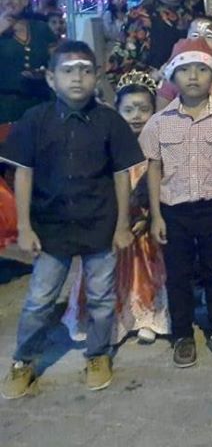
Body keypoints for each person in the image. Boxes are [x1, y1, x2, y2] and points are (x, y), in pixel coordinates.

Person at [1, 41, 143, 399]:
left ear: (97, 76)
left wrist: (122, 226)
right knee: (39, 300)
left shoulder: (110, 121)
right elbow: (23, 174)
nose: (77, 78)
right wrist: (24, 227)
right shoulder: (35, 120)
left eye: (85, 70)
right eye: (67, 70)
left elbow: (121, 176)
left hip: (100, 225)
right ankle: (23, 361)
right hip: (51, 228)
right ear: (51, 79)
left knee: (100, 297)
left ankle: (97, 354)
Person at [140, 38, 212, 367]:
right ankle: (182, 334)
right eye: (185, 69)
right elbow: (153, 169)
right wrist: (156, 216)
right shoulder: (159, 122)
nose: (192, 76)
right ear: (172, 76)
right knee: (178, 274)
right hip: (173, 211)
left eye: (201, 69)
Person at [63, 71, 170, 346]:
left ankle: (148, 317)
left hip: (145, 226)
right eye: (129, 109)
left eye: (144, 109)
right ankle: (112, 323)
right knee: (109, 275)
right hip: (114, 224)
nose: (136, 116)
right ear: (117, 111)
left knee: (146, 272)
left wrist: (149, 216)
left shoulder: (158, 147)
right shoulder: (108, 145)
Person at [107, 0, 192, 84]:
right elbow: (117, 71)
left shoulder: (194, 17)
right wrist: (154, 76)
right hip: (151, 93)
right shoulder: (139, 17)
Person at [0, 0, 57, 124]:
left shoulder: (41, 28)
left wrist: (46, 72)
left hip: (41, 103)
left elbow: (57, 62)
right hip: (4, 108)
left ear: (25, 0)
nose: (7, 1)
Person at [157, 15, 212, 107]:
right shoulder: (174, 71)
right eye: (195, 35)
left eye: (209, 36)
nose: (200, 41)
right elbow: (161, 112)